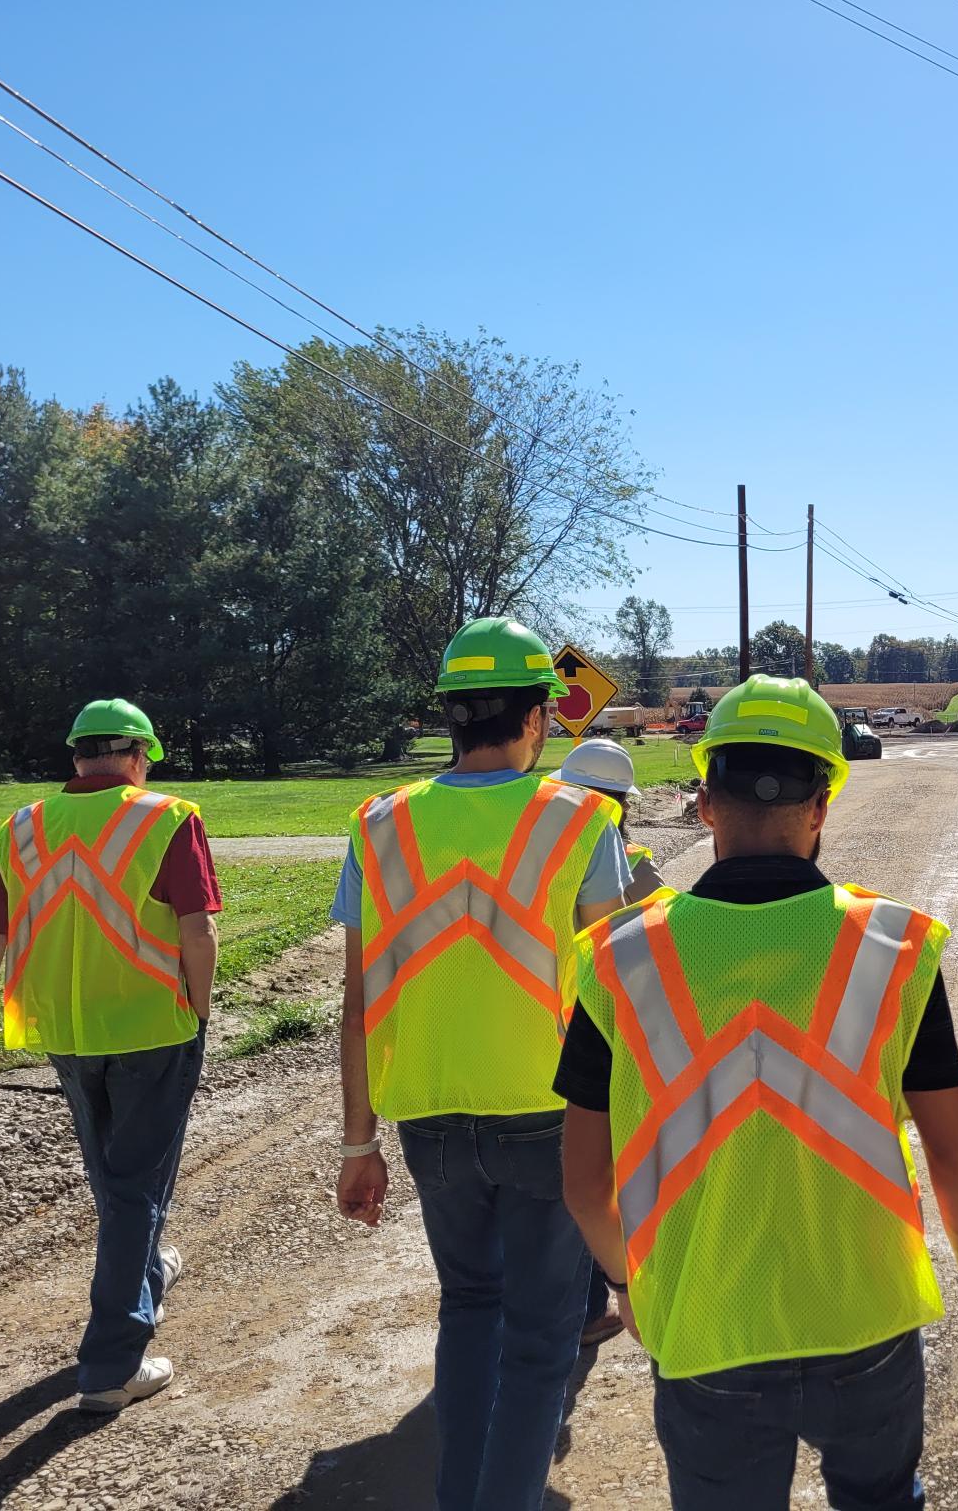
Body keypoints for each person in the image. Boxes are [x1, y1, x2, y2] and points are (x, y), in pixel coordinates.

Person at [557, 674, 958, 1510]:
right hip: (869, 1326)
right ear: (821, 806)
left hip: (707, 1327)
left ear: (706, 804)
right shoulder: (893, 947)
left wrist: (629, 1286)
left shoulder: (616, 960)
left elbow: (585, 1185)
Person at [331, 617, 629, 1511]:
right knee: (540, 1341)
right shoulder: (581, 818)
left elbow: (355, 1001)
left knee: (469, 1311)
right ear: (538, 717)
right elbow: (622, 990)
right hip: (549, 1113)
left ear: (451, 716)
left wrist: (357, 1143)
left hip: (428, 1109)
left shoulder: (379, 826)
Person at [0, 698, 220, 1413]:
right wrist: (201, 1011)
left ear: (77, 757)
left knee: (117, 1176)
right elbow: (197, 933)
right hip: (151, 1026)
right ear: (139, 756)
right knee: (133, 1185)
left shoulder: (23, 827)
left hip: (60, 1033)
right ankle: (111, 1364)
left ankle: (146, 1271)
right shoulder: (167, 816)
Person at [551, 734, 663, 1352]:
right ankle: (595, 1303)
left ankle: (570, 1303)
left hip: (543, 1029)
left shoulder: (538, 845)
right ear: (621, 804)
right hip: (601, 1039)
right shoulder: (637, 866)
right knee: (599, 1176)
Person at [556, 736, 666, 904]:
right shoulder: (634, 865)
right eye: (624, 798)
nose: (628, 806)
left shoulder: (543, 848)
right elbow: (665, 925)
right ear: (614, 805)